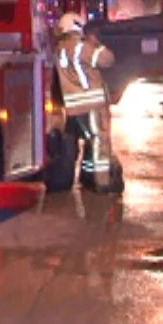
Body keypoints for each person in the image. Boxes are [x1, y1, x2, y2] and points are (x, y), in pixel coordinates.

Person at [55, 12, 123, 194]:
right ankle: (102, 182)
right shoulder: (82, 47)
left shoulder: (59, 48)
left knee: (89, 141)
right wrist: (96, 43)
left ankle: (87, 176)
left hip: (73, 107)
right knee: (100, 140)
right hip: (92, 104)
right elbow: (108, 59)